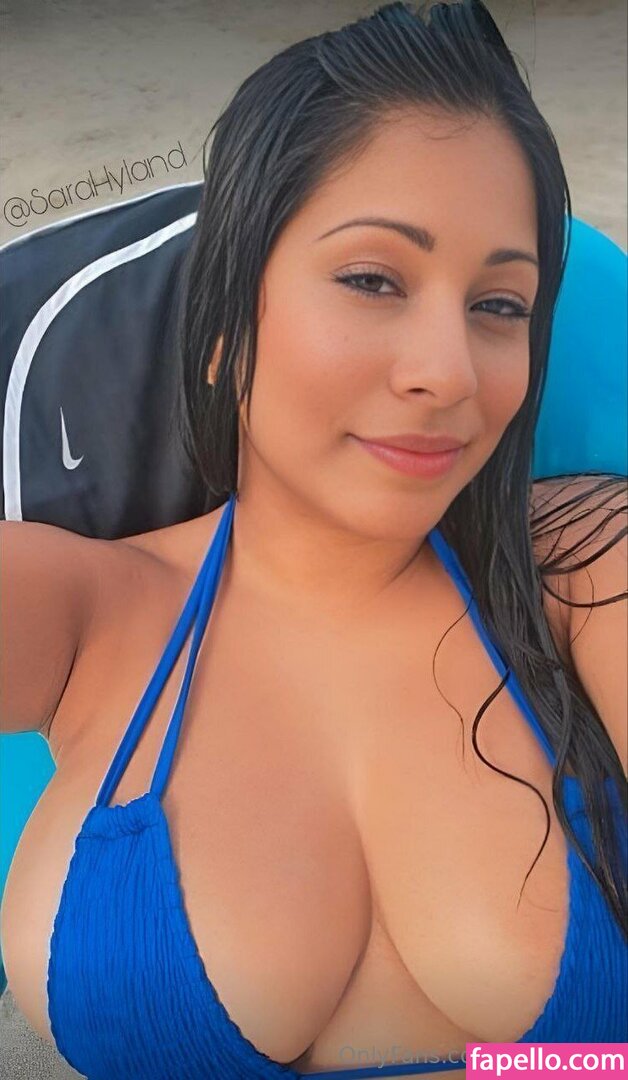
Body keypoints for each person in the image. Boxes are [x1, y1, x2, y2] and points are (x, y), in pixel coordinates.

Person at [1, 2, 626, 1078]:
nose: (449, 374)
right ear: (222, 328)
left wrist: (541, 1066)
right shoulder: (85, 609)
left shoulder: (582, 566)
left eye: (498, 305)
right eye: (373, 279)